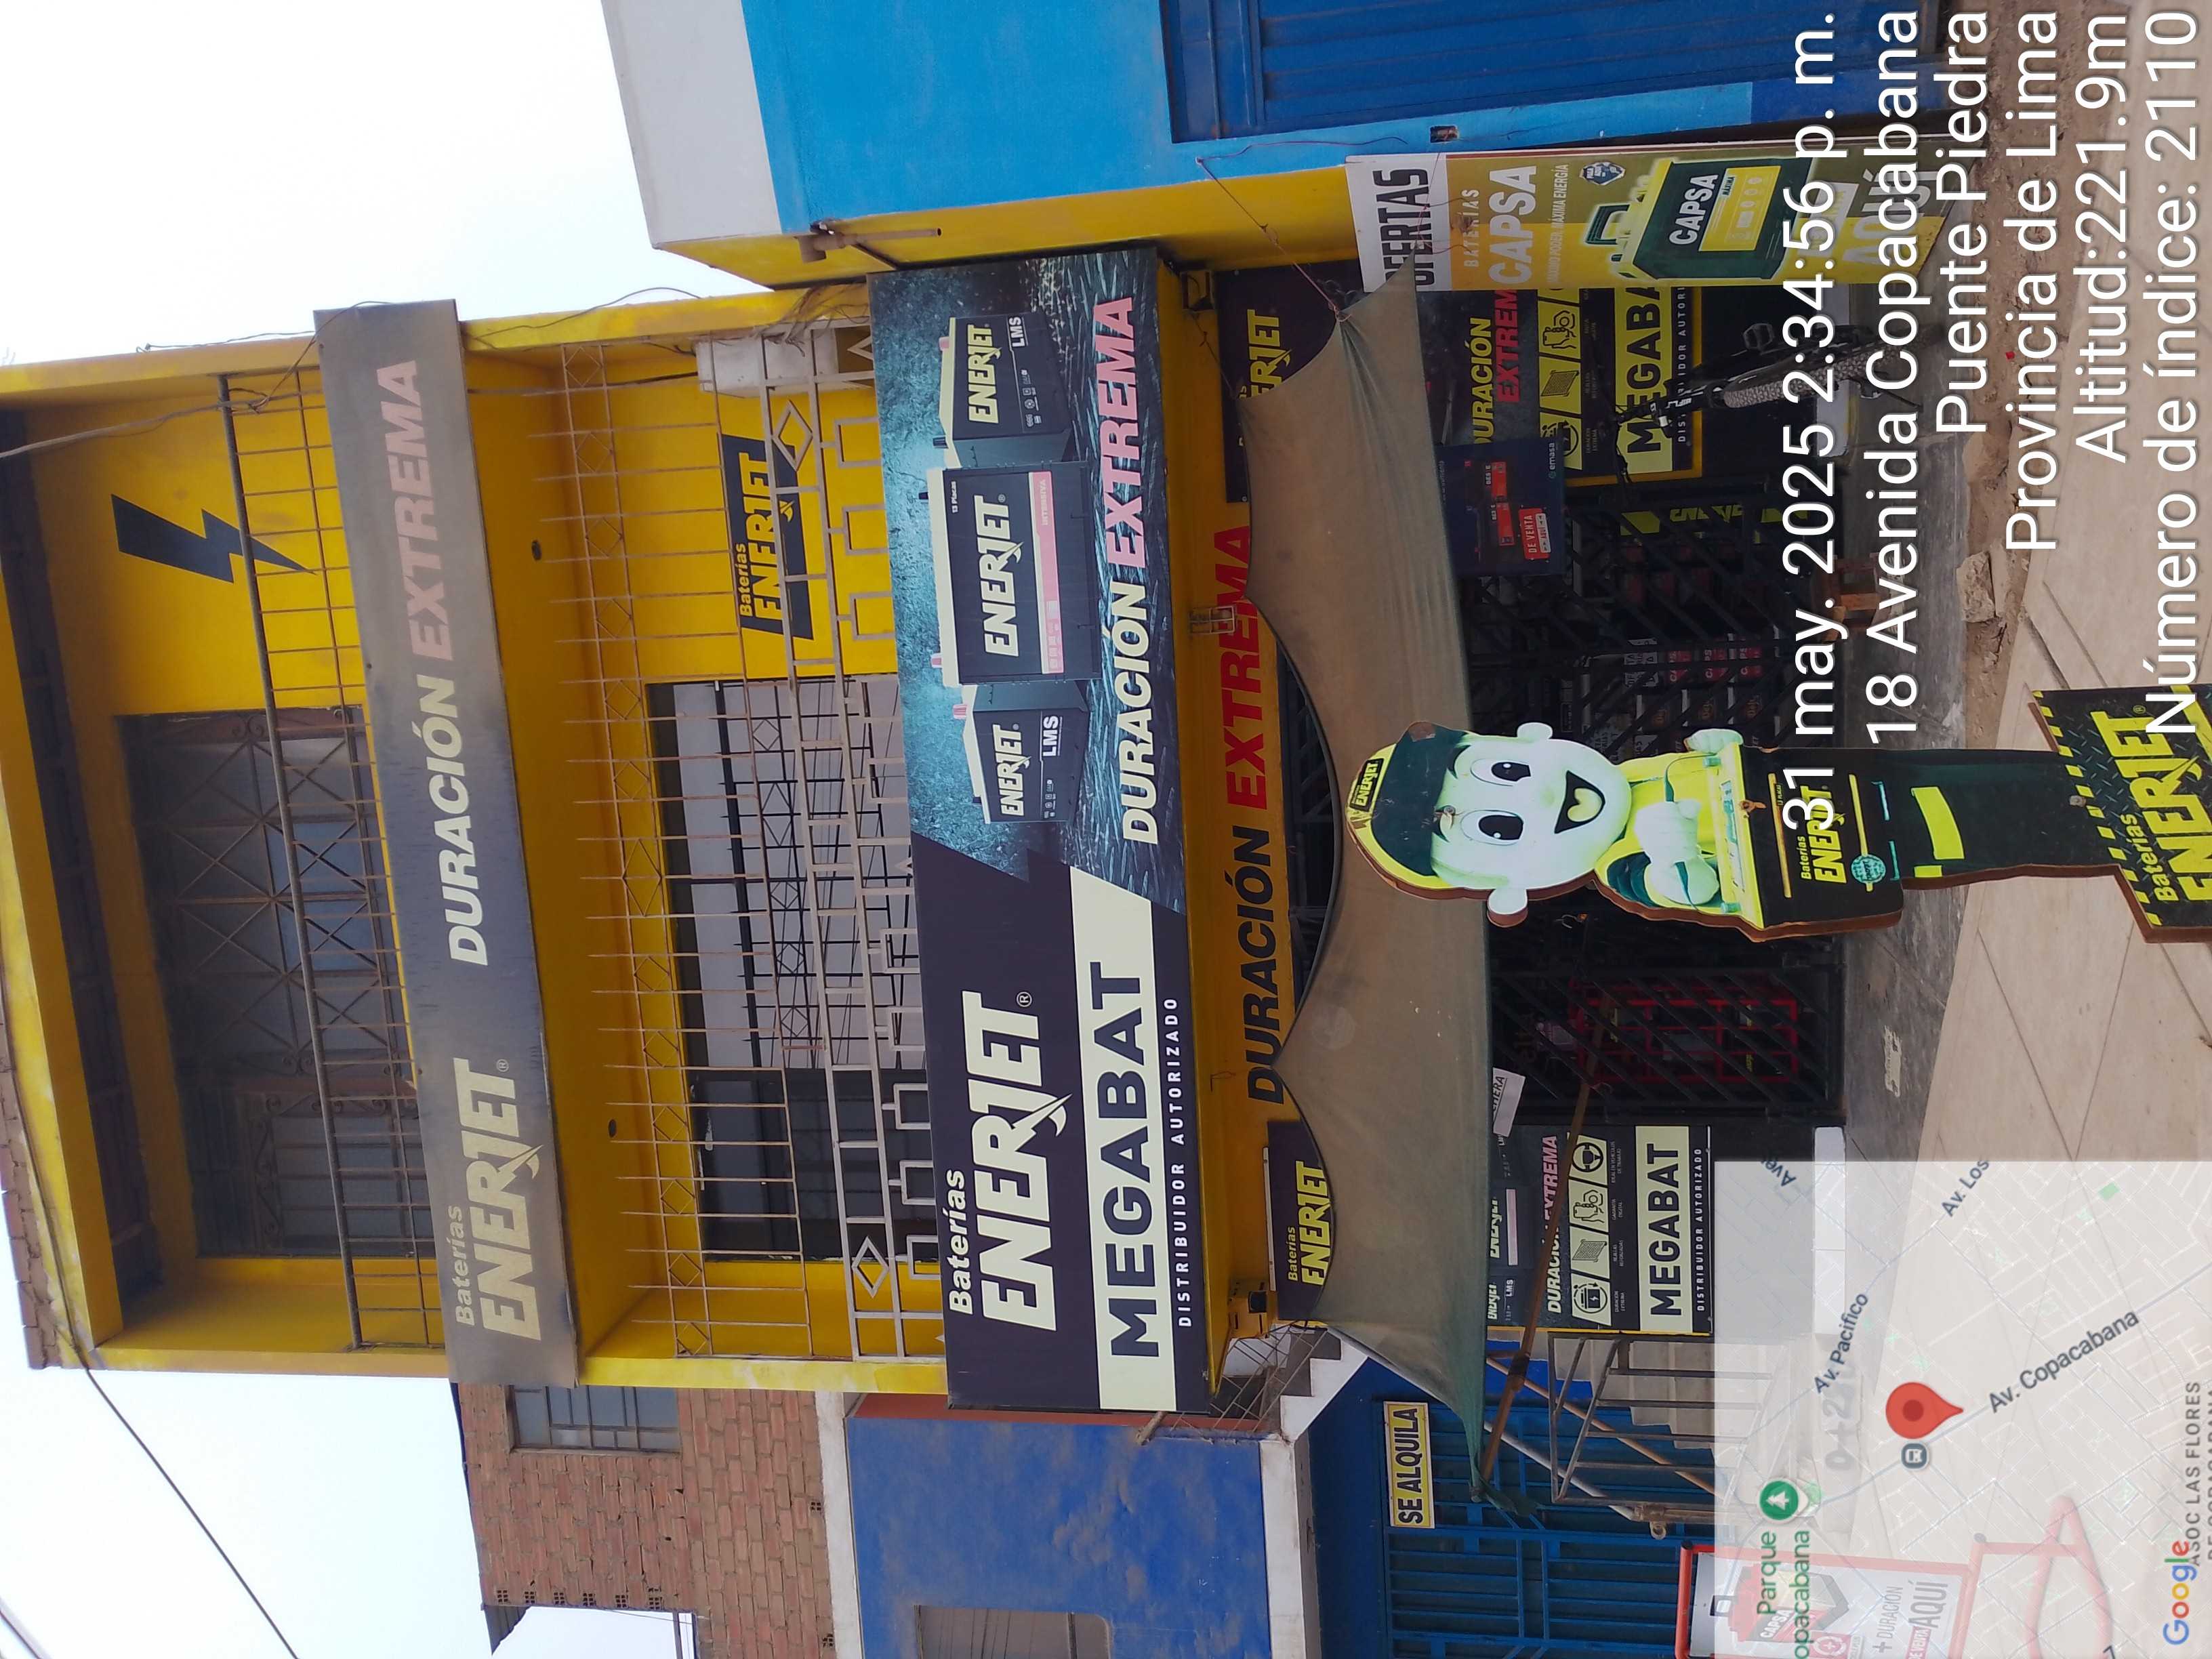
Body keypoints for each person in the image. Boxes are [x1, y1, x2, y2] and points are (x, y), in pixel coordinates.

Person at [1344, 720, 2118, 938]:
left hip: (1854, 787)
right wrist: (1676, 854)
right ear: (1510, 891)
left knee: (1978, 777)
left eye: (1509, 771)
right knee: (1983, 834)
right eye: (1498, 825)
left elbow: (1716, 768)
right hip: (1852, 848)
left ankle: (2096, 776)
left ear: (1530, 740)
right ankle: (2108, 830)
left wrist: (1722, 751)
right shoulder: (1619, 869)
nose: (1543, 794)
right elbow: (1692, 889)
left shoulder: (1631, 773)